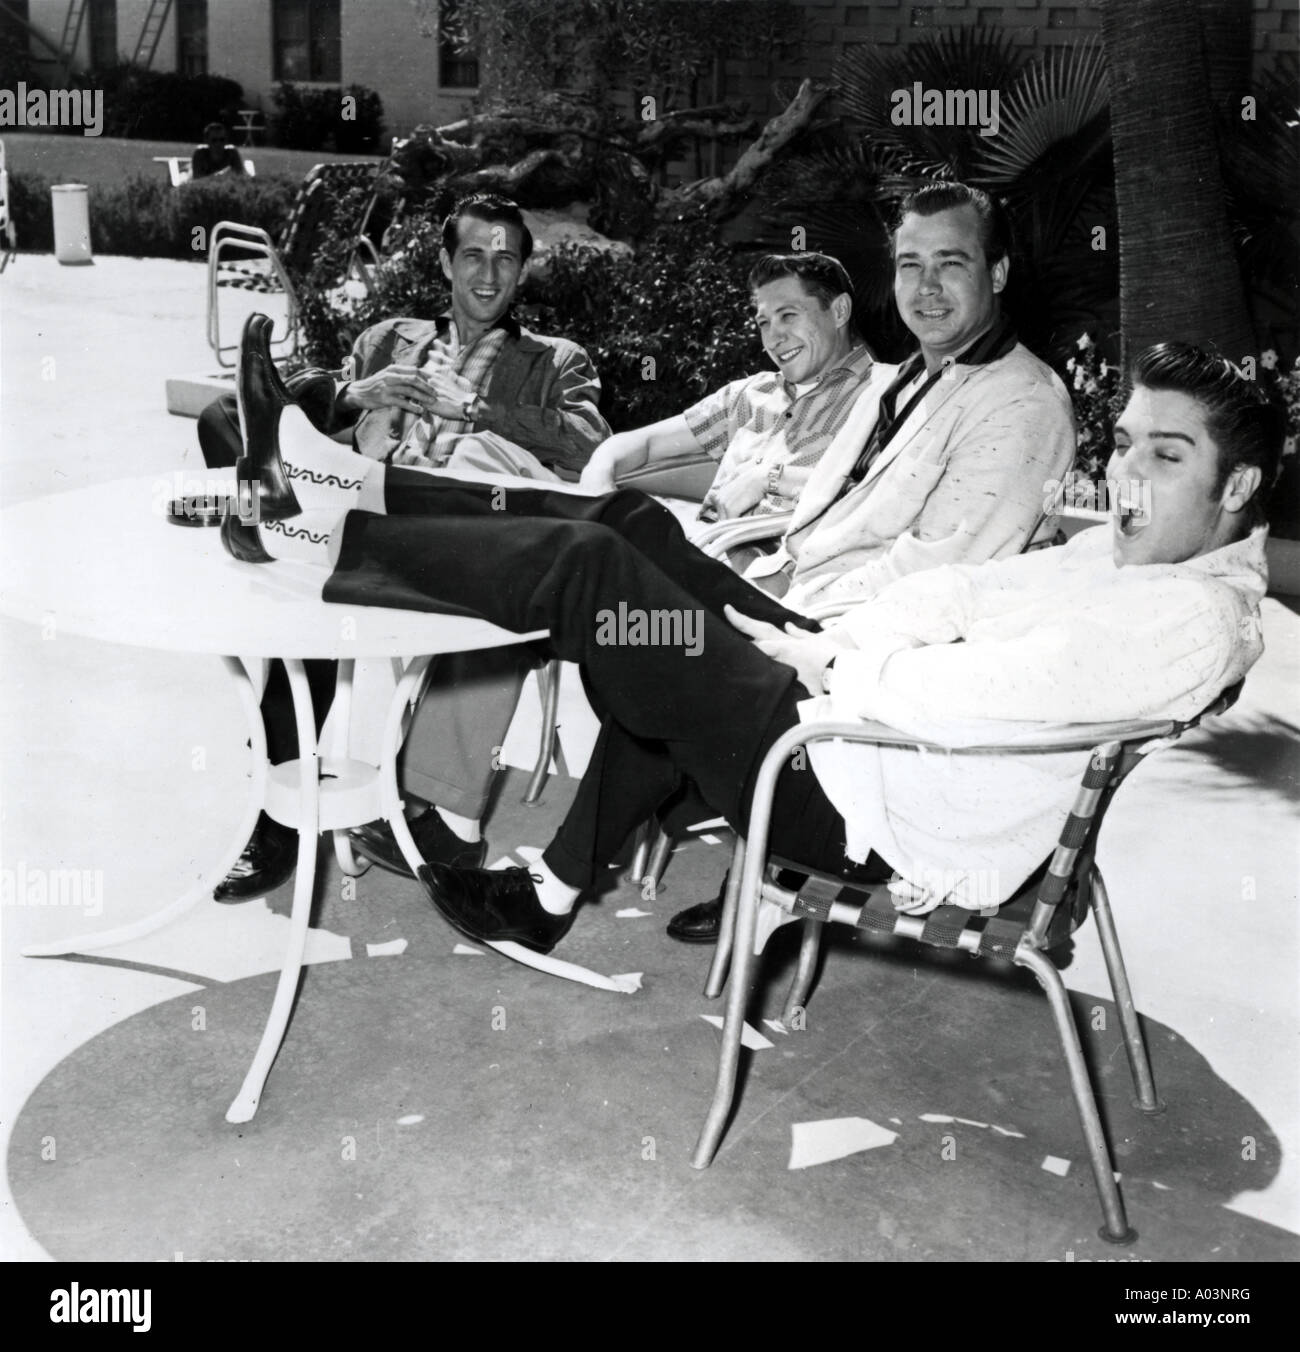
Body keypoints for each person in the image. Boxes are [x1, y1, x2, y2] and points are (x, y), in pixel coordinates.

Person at [223, 337, 1279, 956]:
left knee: (599, 580)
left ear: (1238, 488)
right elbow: (961, 591)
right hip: (857, 710)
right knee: (629, 526)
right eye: (1128, 441)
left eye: (1167, 453)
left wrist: (828, 665)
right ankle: (332, 478)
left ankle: (312, 527)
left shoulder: (1188, 616)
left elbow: (987, 690)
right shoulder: (1133, 558)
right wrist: (826, 638)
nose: (1128, 474)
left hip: (871, 793)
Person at [348, 183, 1076, 939]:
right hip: (798, 615)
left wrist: (773, 612)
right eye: (909, 264)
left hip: (838, 666)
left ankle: (358, 529)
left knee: (612, 578)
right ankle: (374, 498)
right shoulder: (923, 379)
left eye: (949, 264)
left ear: (996, 273)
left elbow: (933, 589)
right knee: (627, 526)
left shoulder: (1020, 404)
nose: (924, 287)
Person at [344, 250, 877, 884]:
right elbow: (631, 445)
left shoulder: (880, 397)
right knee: (525, 543)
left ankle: (354, 518)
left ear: (839, 310)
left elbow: (867, 512)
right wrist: (595, 496)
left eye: (789, 315)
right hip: (680, 570)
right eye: (763, 321)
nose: (773, 336)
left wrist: (765, 478)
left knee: (543, 569)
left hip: (746, 600)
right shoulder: (752, 396)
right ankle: (455, 817)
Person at [199, 194, 611, 900]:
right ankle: (279, 817)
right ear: (446, 261)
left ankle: (268, 520)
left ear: (522, 274)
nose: (489, 274)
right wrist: (361, 394)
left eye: (506, 258)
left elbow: (590, 445)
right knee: (229, 427)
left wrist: (477, 410)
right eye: (473, 255)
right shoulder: (389, 337)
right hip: (365, 508)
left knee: (341, 560)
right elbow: (319, 430)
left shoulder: (555, 361)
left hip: (463, 530)